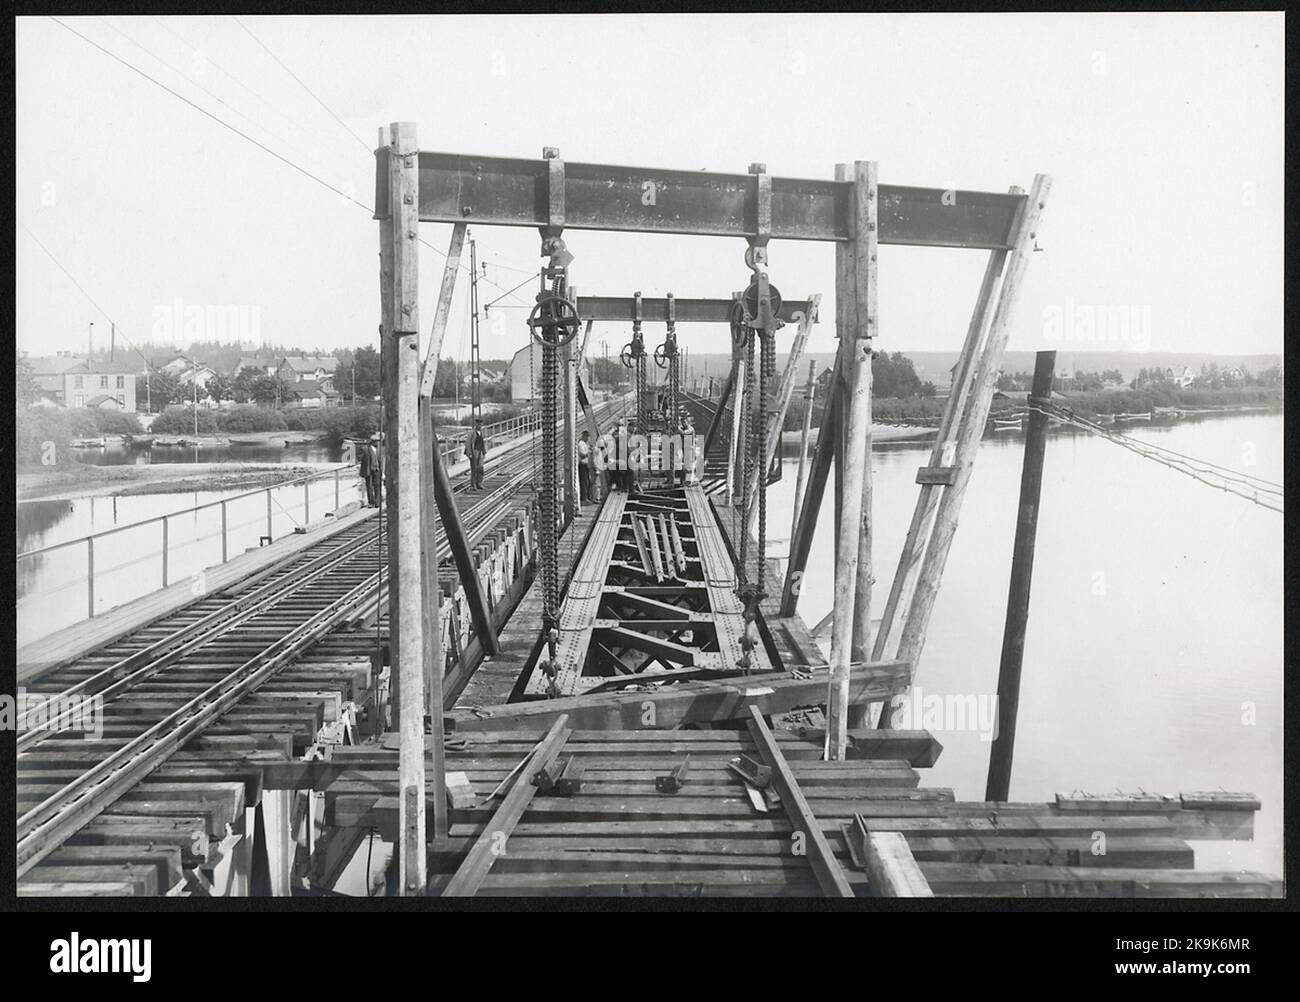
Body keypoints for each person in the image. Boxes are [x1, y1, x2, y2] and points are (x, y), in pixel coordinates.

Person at [361, 433, 383, 507]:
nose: (377, 443)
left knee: (377, 486)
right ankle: (371, 502)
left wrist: (381, 470)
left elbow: (380, 460)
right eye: (376, 441)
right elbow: (361, 458)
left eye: (378, 441)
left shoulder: (379, 450)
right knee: (369, 486)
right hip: (369, 470)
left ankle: (377, 502)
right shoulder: (366, 449)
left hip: (376, 470)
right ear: (372, 442)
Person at [469, 419, 487, 490]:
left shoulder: (481, 432)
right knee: (474, 469)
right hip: (474, 452)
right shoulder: (472, 433)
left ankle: (479, 483)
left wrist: (484, 450)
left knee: (480, 468)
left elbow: (482, 442)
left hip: (480, 452)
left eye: (481, 424)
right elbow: (468, 443)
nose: (479, 425)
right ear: (476, 424)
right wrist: (470, 452)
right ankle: (473, 485)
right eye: (478, 424)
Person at [577, 429, 592, 505]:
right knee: (584, 482)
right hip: (582, 465)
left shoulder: (584, 444)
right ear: (584, 436)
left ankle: (587, 497)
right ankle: (584, 498)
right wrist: (589, 452)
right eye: (587, 437)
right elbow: (582, 453)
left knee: (587, 482)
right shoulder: (581, 444)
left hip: (586, 465)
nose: (588, 438)